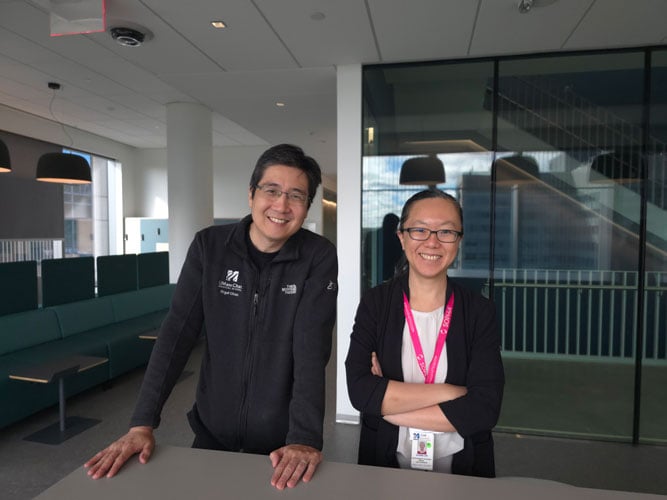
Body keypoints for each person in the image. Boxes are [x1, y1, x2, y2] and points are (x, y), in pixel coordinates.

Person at [85, 144, 338, 490]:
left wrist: (304, 438)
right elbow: (177, 334)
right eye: (271, 190)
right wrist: (142, 423)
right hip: (212, 432)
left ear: (306, 207)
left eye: (296, 196)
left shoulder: (317, 256)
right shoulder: (210, 247)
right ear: (251, 194)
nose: (281, 205)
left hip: (282, 444)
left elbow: (311, 348)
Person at [345, 189, 504, 477]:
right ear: (402, 237)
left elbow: (484, 409)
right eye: (419, 230)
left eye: (446, 231)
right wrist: (452, 393)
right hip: (383, 463)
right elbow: (360, 391)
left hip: (464, 470)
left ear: (459, 240)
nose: (432, 241)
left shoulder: (479, 312)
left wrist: (387, 407)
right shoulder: (375, 303)